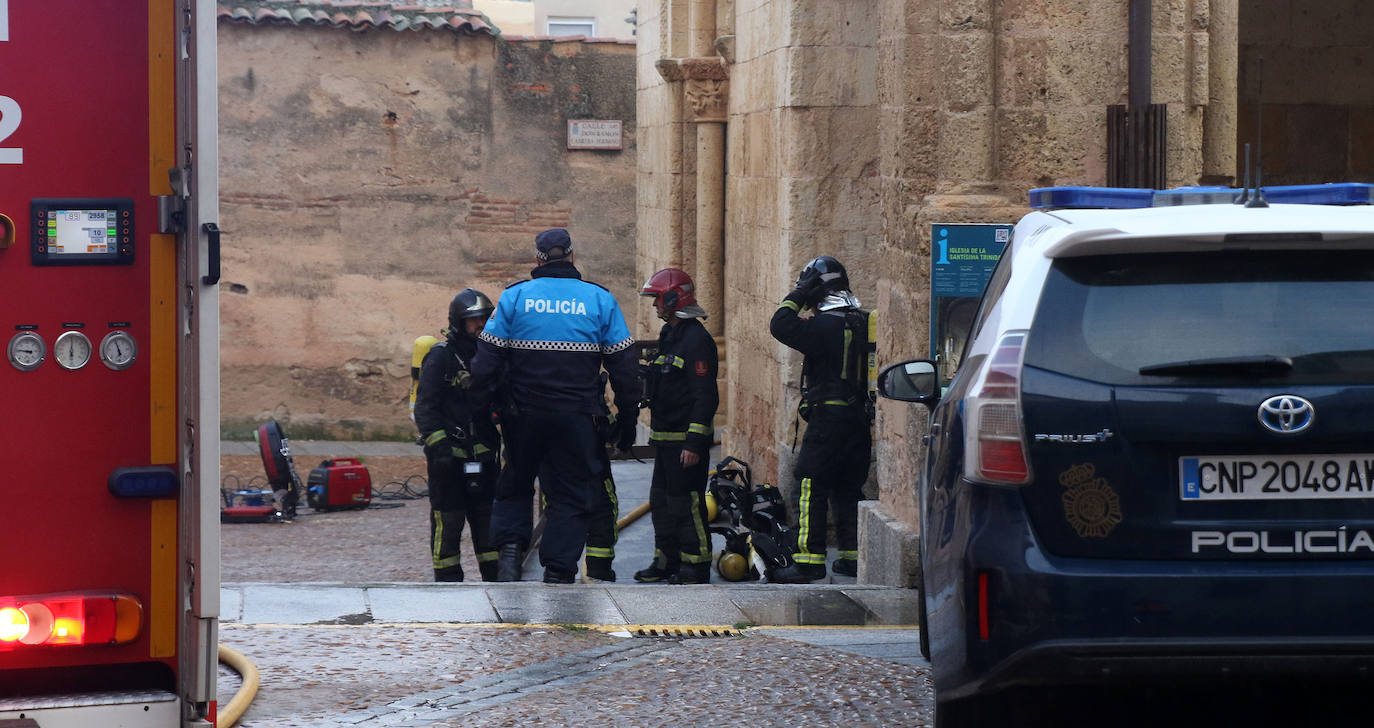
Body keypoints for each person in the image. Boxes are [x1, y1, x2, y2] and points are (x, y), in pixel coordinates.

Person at [470, 228, 641, 584]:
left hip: (523, 416)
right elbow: (624, 370)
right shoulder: (599, 300)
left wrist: (483, 415)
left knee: (516, 482)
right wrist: (628, 420)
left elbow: (484, 366)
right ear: (572, 257)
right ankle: (559, 571)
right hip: (577, 418)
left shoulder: (514, 297)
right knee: (571, 493)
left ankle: (511, 553)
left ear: (538, 259)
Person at [768, 256, 875, 583]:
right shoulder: (864, 321)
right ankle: (851, 558)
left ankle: (808, 561)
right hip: (859, 420)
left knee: (810, 484)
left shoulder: (822, 326)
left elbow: (780, 324)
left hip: (828, 420)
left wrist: (799, 293)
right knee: (848, 487)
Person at [633, 268, 719, 584]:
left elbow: (705, 395)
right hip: (666, 439)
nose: (655, 306)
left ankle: (695, 565)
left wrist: (695, 444)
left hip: (685, 442)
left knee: (687, 505)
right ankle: (666, 561)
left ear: (672, 297)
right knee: (662, 503)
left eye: (657, 299)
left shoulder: (697, 340)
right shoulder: (671, 335)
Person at [414, 288, 500, 582]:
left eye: (485, 319)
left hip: (485, 458)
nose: (480, 325)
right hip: (449, 460)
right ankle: (448, 584)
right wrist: (440, 450)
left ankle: (496, 584)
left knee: (489, 525)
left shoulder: (491, 356)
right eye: (473, 320)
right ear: (458, 322)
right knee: (448, 523)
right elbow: (425, 407)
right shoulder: (440, 357)